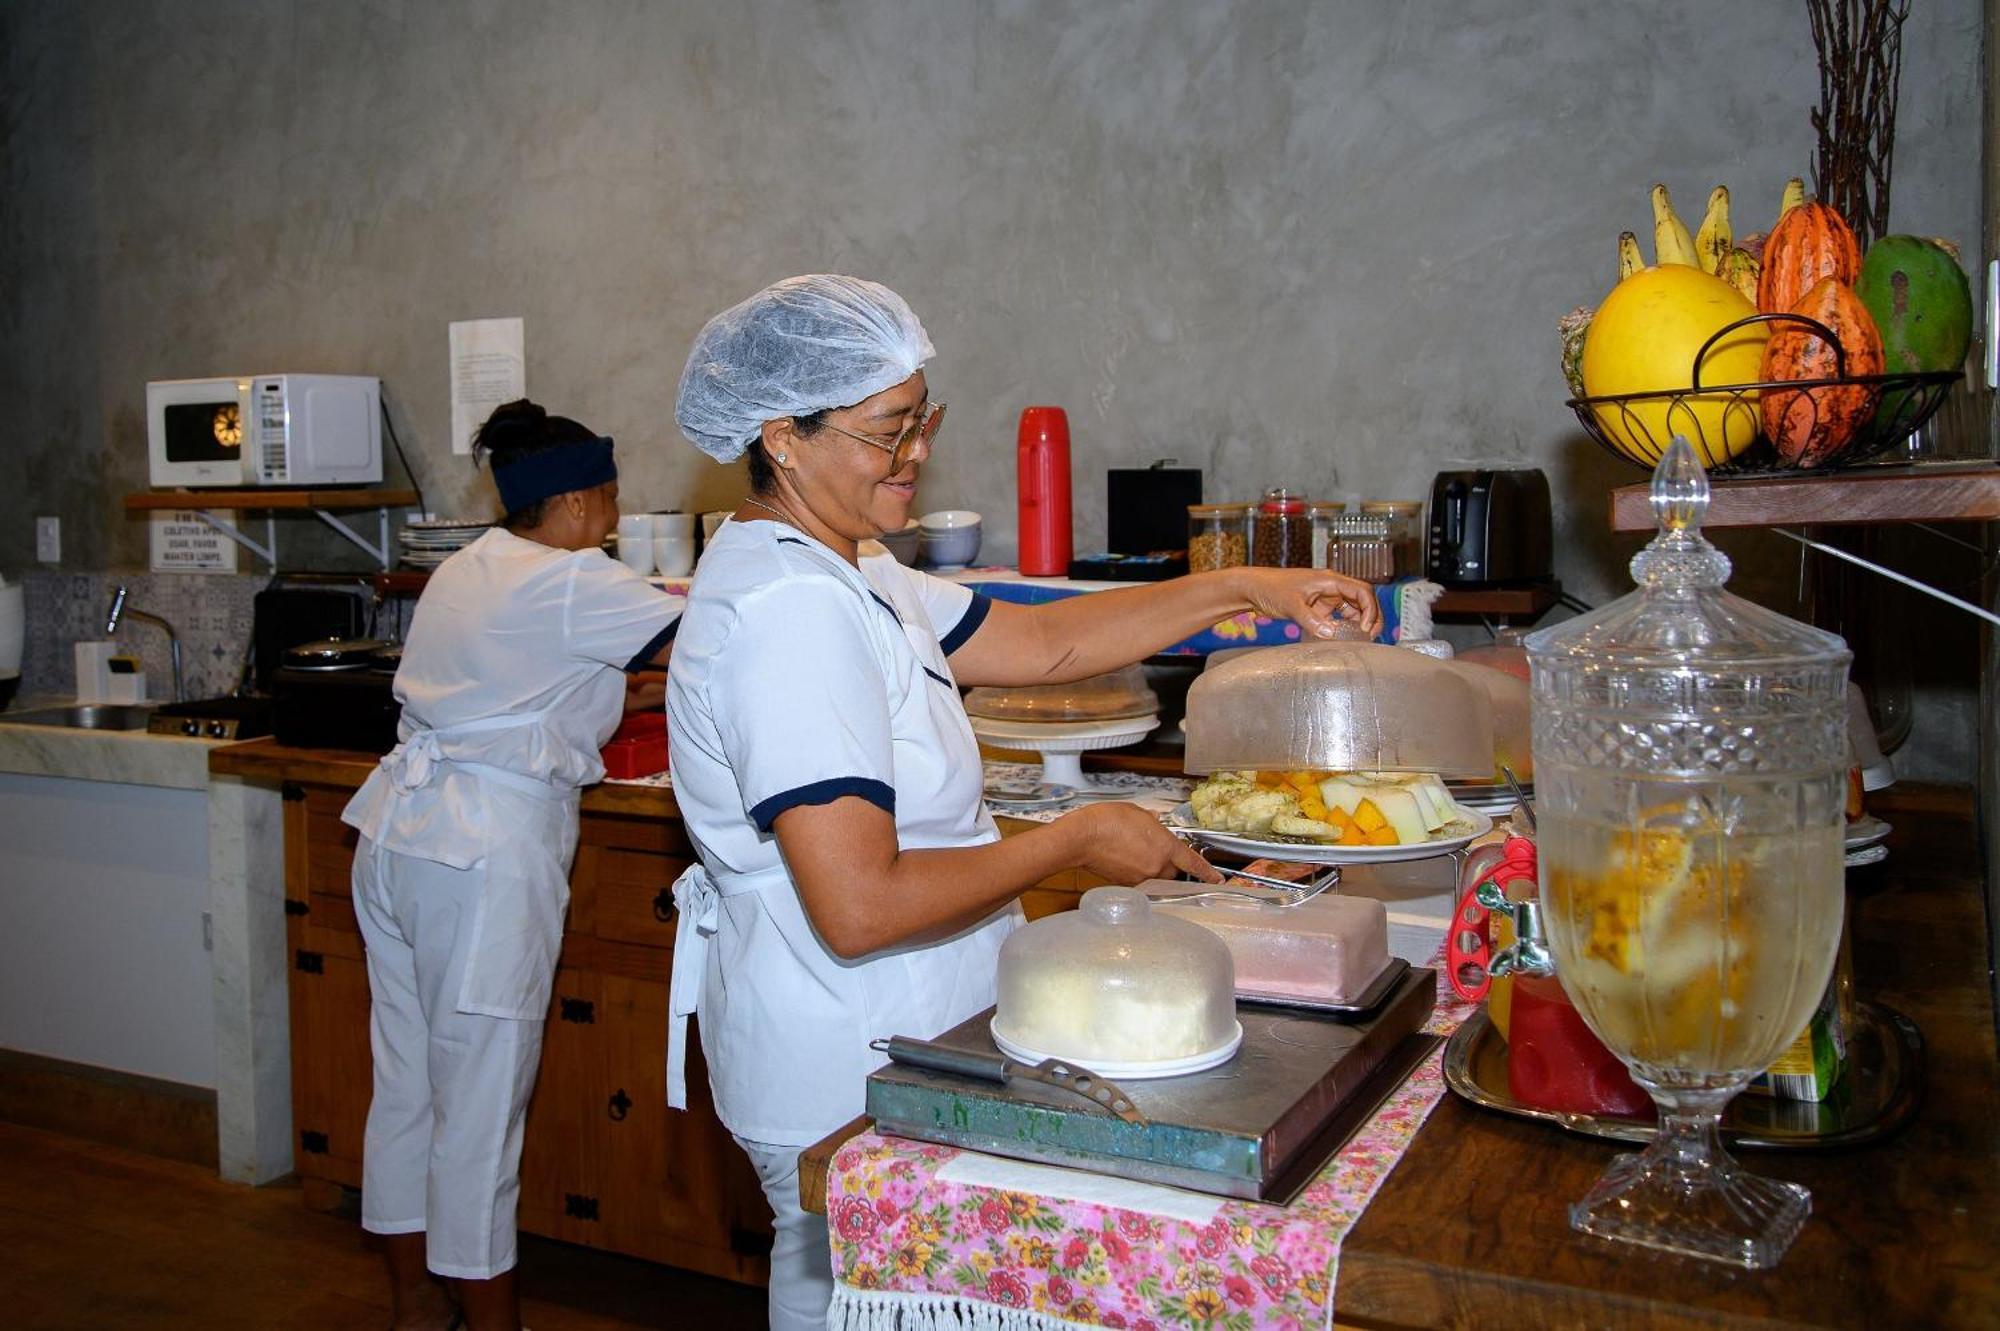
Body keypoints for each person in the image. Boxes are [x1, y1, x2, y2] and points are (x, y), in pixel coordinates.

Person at [665, 274, 1381, 1329]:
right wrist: (1071, 838)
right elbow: (858, 903)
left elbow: (1045, 640)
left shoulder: (847, 564)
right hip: (845, 1054)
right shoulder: (786, 613)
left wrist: (1248, 589)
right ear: (782, 435)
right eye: (886, 430)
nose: (913, 453)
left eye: (922, 420)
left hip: (905, 1035)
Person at [343, 400, 682, 1331]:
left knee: (407, 1089)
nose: (614, 516)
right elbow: (716, 639)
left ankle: (417, 1307)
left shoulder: (465, 568)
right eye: (609, 497)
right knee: (483, 1114)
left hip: (396, 836)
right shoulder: (574, 578)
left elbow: (538, 678)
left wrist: (627, 681)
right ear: (574, 500)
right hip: (483, 855)